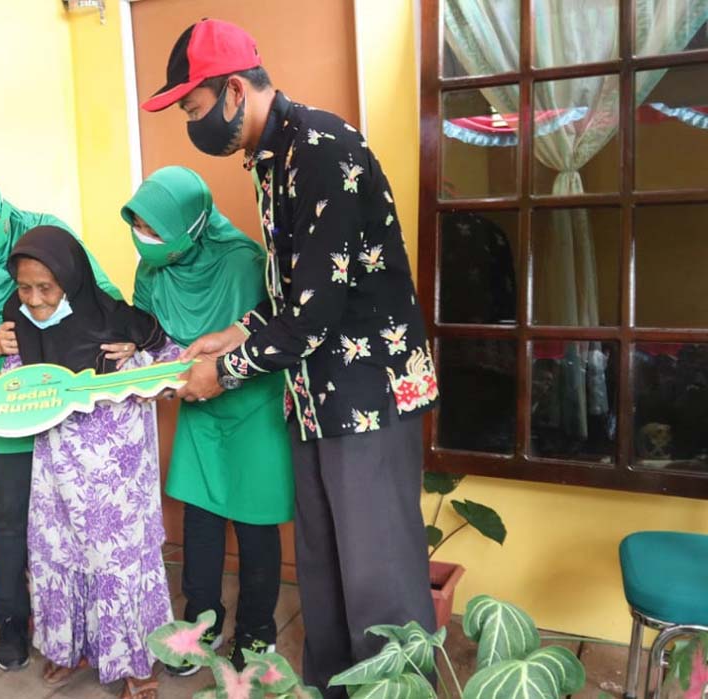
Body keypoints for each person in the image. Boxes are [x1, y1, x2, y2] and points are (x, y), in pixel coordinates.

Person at [142, 19, 439, 696]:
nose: (192, 125)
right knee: (324, 570)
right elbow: (296, 293)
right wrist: (235, 331)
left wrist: (223, 372)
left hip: (366, 396)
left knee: (380, 580)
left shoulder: (322, 150)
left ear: (234, 90)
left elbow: (314, 316)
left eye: (193, 108)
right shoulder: (272, 160)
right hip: (312, 396)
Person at [0, 160, 135, 671]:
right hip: (9, 403)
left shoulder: (44, 231)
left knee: (79, 515)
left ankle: (90, 630)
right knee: (11, 519)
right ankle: (12, 627)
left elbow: (103, 293)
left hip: (67, 394)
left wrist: (89, 336)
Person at [122, 166, 293, 673]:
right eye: (139, 227)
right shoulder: (150, 271)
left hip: (255, 406)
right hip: (199, 406)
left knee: (256, 523)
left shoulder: (244, 263)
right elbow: (149, 329)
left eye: (156, 229)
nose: (146, 238)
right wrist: (140, 354)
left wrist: (217, 372)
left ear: (193, 224)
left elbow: (275, 334)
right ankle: (200, 624)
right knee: (200, 519)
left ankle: (257, 631)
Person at [3, 225, 176, 699]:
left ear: (72, 279)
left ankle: (136, 661)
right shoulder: (17, 319)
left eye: (46, 287)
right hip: (56, 458)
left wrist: (139, 356)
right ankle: (72, 646)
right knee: (58, 551)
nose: (35, 300)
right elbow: (17, 382)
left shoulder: (116, 318)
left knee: (115, 559)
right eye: (25, 288)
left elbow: (173, 362)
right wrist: (1, 362)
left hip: (115, 462)